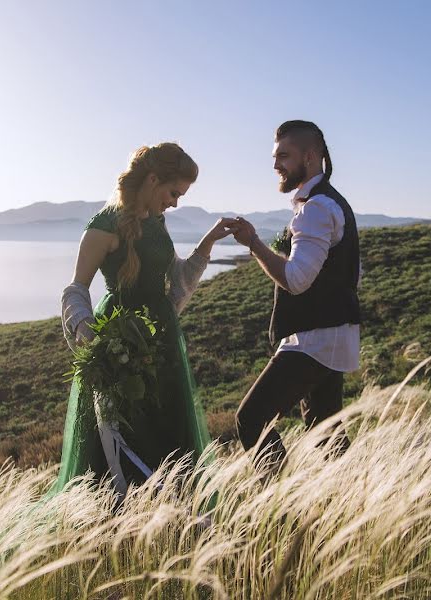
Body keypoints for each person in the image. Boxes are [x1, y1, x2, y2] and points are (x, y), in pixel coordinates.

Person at [51, 142, 236, 498]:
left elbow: (173, 281)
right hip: (121, 344)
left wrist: (208, 241)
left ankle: (171, 519)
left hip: (161, 343)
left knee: (166, 433)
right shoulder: (103, 226)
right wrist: (90, 336)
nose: (175, 202)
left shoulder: (157, 223)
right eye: (173, 192)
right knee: (126, 433)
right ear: (152, 179)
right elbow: (76, 288)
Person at [230, 120, 361, 476]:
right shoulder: (335, 203)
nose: (276, 165)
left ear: (310, 155)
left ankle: (278, 507)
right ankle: (350, 505)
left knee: (252, 419)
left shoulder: (316, 208)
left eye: (284, 156)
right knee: (326, 433)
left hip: (315, 340)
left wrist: (254, 244)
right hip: (334, 336)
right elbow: (353, 273)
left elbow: (296, 280)